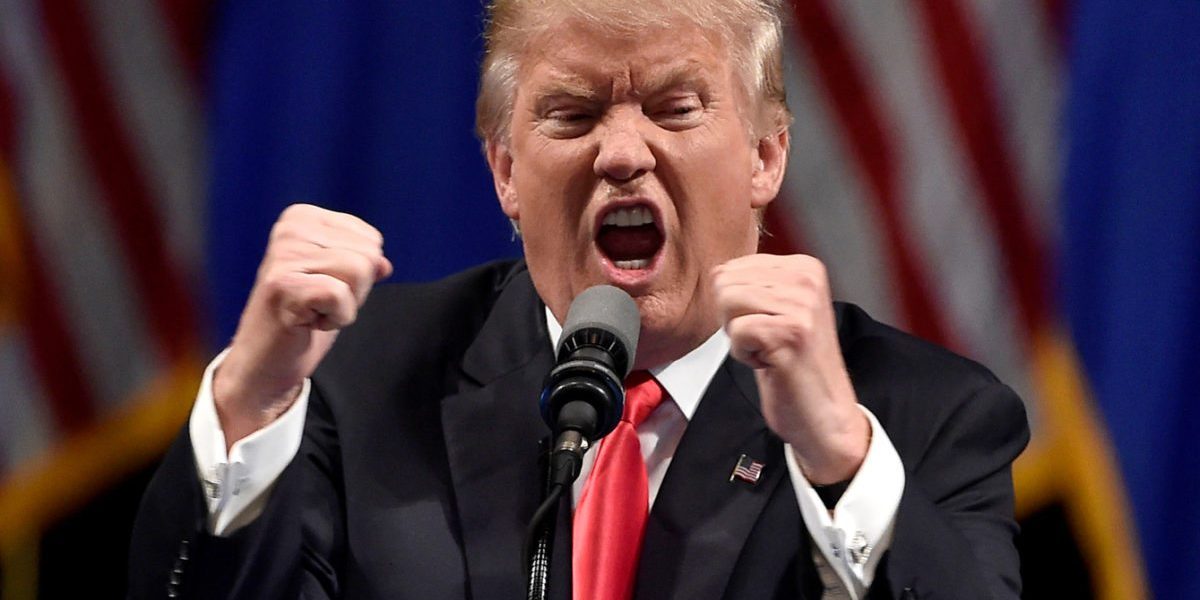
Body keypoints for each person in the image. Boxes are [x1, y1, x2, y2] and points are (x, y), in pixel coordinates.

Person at [129, 0, 1029, 598]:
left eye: (676, 109)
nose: (623, 153)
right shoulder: (361, 383)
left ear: (765, 158)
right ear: (506, 171)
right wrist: (248, 400)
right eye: (573, 114)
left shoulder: (923, 416)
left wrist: (838, 460)